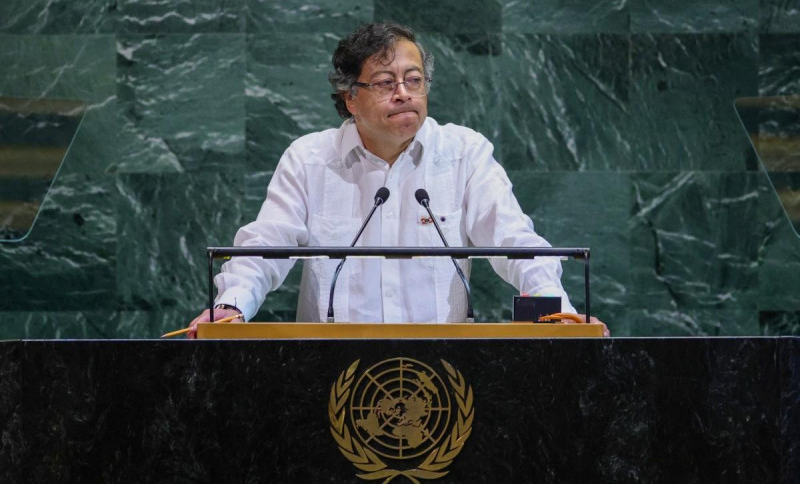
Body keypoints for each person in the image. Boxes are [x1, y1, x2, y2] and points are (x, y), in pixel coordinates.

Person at [188, 22, 605, 335]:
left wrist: (556, 310)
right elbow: (265, 246)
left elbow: (515, 242)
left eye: (414, 80)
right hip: (328, 371)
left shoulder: (463, 152)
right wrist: (232, 306)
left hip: (444, 373)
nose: (404, 93)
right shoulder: (309, 159)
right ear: (351, 98)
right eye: (386, 83)